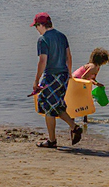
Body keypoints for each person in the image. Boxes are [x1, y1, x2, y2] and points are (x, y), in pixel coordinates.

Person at [32, 13, 83, 148]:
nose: (36, 29)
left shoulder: (43, 39)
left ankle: (52, 140)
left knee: (48, 106)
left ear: (41, 25)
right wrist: (69, 74)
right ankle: (75, 127)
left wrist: (36, 80)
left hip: (51, 76)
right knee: (57, 105)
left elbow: (43, 61)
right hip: (63, 76)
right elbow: (68, 56)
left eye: (36, 26)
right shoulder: (62, 36)